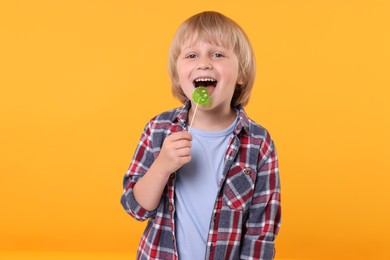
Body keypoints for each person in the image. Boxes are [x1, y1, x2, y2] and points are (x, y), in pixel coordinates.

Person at [121, 11, 281, 260]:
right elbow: (136, 208)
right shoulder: (159, 129)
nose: (204, 63)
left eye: (217, 54)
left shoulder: (258, 143)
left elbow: (261, 231)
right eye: (192, 55)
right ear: (177, 75)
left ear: (240, 74)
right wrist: (162, 166)